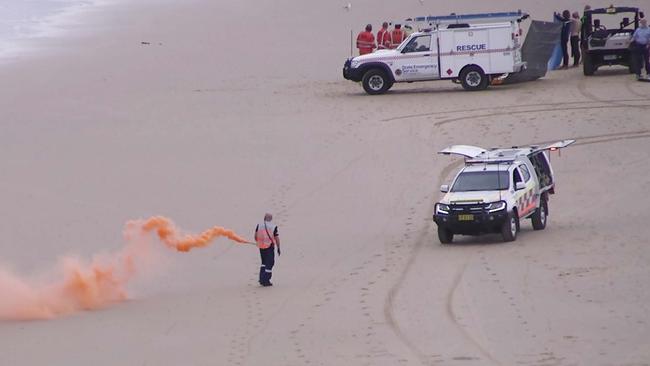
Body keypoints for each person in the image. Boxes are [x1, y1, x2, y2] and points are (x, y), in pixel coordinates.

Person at [255, 213, 281, 287]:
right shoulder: (273, 226)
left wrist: (258, 242)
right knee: (270, 263)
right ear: (271, 219)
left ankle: (261, 278)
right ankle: (265, 280)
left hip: (261, 246)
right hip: (269, 246)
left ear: (264, 218)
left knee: (263, 262)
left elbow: (255, 236)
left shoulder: (259, 225)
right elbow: (276, 238)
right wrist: (278, 247)